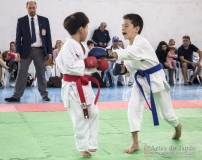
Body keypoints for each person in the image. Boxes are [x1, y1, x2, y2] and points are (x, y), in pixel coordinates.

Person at [111, 13, 182, 154]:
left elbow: (125, 54)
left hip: (155, 78)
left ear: (136, 29)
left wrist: (105, 54)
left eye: (126, 26)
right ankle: (135, 143)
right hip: (140, 80)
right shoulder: (130, 46)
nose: (123, 29)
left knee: (166, 115)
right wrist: (122, 69)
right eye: (122, 26)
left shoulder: (141, 43)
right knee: (133, 107)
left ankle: (178, 126)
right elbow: (130, 67)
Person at [55, 12, 107, 158]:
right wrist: (86, 63)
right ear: (81, 29)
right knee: (79, 117)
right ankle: (83, 147)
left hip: (84, 85)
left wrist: (97, 65)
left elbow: (86, 67)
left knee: (94, 112)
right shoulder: (68, 46)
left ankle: (91, 143)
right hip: (71, 87)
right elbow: (70, 66)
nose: (88, 30)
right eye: (87, 27)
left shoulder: (82, 45)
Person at [4, 1, 53, 102]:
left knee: (41, 73)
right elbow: (18, 38)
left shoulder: (44, 20)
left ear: (36, 7)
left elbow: (48, 37)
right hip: (26, 51)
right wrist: (17, 52)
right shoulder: (21, 21)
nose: (31, 10)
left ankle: (44, 95)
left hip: (40, 50)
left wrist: (49, 53)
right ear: (26, 8)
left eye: (33, 8)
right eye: (29, 8)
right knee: (21, 73)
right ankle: (16, 96)